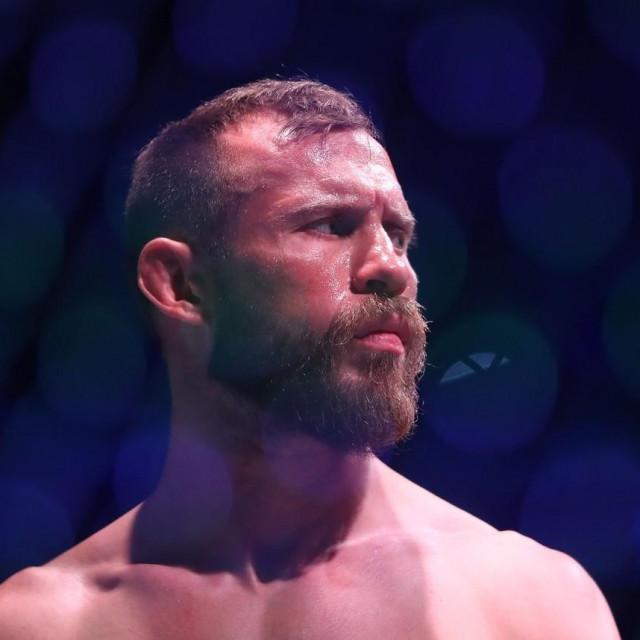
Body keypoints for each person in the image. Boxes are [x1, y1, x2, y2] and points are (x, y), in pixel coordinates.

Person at [0, 78, 620, 638]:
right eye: (329, 225)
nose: (392, 269)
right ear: (181, 285)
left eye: (398, 234)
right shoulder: (40, 624)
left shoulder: (528, 602)